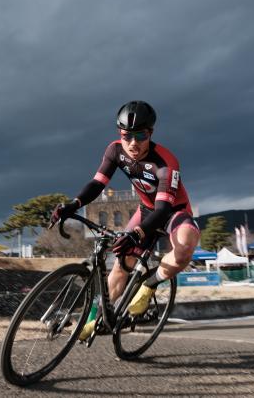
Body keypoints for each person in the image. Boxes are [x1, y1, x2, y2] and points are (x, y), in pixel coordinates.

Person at [51, 100, 200, 340]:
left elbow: (163, 209)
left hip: (173, 211)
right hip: (147, 210)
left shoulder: (165, 163)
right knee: (121, 264)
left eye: (140, 136)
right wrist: (73, 204)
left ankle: (149, 284)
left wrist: (136, 233)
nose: (132, 143)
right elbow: (97, 184)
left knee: (185, 245)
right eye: (126, 136)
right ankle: (92, 320)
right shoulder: (115, 150)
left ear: (150, 133)